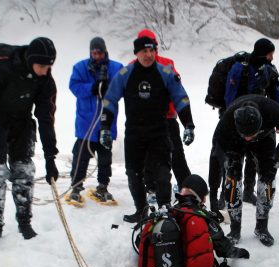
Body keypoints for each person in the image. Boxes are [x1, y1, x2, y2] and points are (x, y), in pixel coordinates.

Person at [0, 37, 59, 242]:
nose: (46, 71)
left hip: (21, 122)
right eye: (42, 66)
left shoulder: (45, 78)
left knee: (24, 171)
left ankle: (24, 221)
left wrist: (50, 157)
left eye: (49, 66)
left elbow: (46, 118)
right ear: (30, 60)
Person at [101, 36, 195, 223]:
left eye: (152, 50)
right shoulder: (125, 73)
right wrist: (105, 127)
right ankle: (141, 210)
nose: (149, 54)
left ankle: (164, 207)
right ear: (136, 53)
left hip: (159, 130)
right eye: (144, 51)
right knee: (133, 172)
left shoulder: (165, 72)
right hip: (134, 132)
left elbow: (181, 98)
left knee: (162, 172)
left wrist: (189, 125)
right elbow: (110, 99)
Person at [138, 174, 249, 267]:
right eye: (203, 196)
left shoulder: (167, 214)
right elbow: (223, 248)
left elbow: (141, 244)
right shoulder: (201, 216)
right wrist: (242, 253)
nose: (205, 201)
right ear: (198, 195)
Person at [208, 38, 279, 214]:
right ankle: (223, 195)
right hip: (235, 118)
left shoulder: (269, 70)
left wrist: (277, 118)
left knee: (253, 156)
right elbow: (229, 96)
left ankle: (248, 191)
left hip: (258, 119)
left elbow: (275, 95)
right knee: (232, 157)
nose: (272, 57)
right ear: (263, 53)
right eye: (270, 54)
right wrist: (232, 118)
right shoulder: (239, 68)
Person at [216, 95, 279, 247]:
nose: (249, 138)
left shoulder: (272, 110)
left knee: (267, 179)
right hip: (235, 141)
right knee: (232, 180)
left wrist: (277, 159)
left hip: (264, 139)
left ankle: (262, 227)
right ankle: (235, 230)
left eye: (251, 134)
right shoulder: (227, 120)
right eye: (246, 135)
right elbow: (217, 148)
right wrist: (224, 167)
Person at [134, 29, 192, 202]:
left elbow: (178, 94)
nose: (148, 53)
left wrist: (187, 122)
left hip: (167, 117)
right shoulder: (132, 68)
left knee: (175, 154)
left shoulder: (167, 64)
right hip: (145, 120)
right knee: (148, 156)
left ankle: (185, 186)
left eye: (151, 47)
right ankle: (152, 189)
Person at [68, 37, 123, 204]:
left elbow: (121, 88)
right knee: (80, 156)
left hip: (107, 122)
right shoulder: (80, 67)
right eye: (94, 52)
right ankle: (76, 186)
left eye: (99, 52)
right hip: (86, 122)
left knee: (105, 157)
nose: (97, 55)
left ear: (105, 51)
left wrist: (109, 89)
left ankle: (102, 186)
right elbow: (74, 86)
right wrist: (92, 88)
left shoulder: (116, 68)